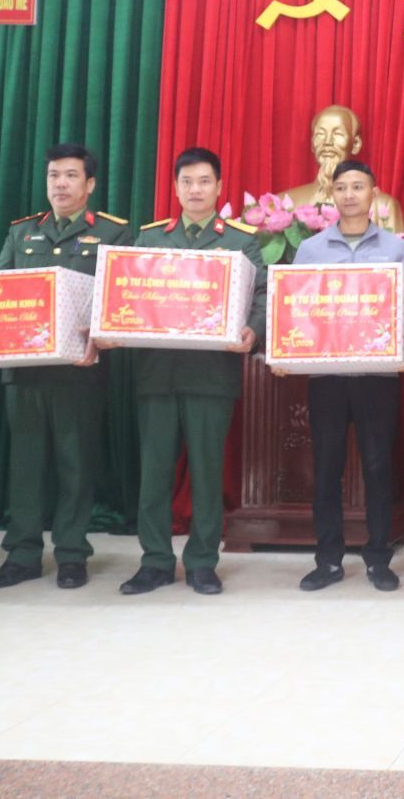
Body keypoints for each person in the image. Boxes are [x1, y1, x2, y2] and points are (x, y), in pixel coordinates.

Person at [110, 147, 267, 596]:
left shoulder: (240, 241)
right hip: (157, 373)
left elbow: (260, 295)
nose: (195, 190)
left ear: (219, 187)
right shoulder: (151, 239)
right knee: (154, 475)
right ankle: (155, 562)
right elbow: (128, 290)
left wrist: (252, 331)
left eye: (204, 181)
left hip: (211, 375)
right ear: (175, 187)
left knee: (207, 473)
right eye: (187, 182)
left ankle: (202, 563)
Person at [0, 144, 130, 591]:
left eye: (70, 175)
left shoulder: (112, 233)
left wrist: (99, 336)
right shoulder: (22, 232)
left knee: (75, 465)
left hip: (79, 370)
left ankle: (71, 554)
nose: (60, 184)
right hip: (24, 371)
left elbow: (119, 298)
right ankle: (22, 555)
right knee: (25, 466)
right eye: (53, 176)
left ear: (90, 184)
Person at [285, 160, 404, 593]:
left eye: (358, 187)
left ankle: (378, 559)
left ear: (373, 194)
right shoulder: (310, 250)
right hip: (326, 376)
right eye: (342, 187)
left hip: (377, 376)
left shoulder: (395, 249)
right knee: (326, 467)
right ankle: (328, 560)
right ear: (332, 194)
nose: (349, 195)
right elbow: (293, 304)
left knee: (378, 466)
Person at [277, 105, 404, 233]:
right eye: (320, 134)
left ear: (355, 144)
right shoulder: (284, 204)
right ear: (312, 144)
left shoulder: (382, 207)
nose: (327, 142)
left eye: (338, 134)